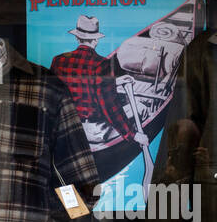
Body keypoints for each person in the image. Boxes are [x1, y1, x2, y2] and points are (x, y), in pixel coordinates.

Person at [51, 15, 148, 150]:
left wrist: (115, 82)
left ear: (77, 37)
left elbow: (80, 85)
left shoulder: (58, 61)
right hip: (93, 131)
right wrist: (133, 135)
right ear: (95, 39)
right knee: (142, 108)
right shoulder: (102, 64)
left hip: (67, 127)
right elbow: (109, 107)